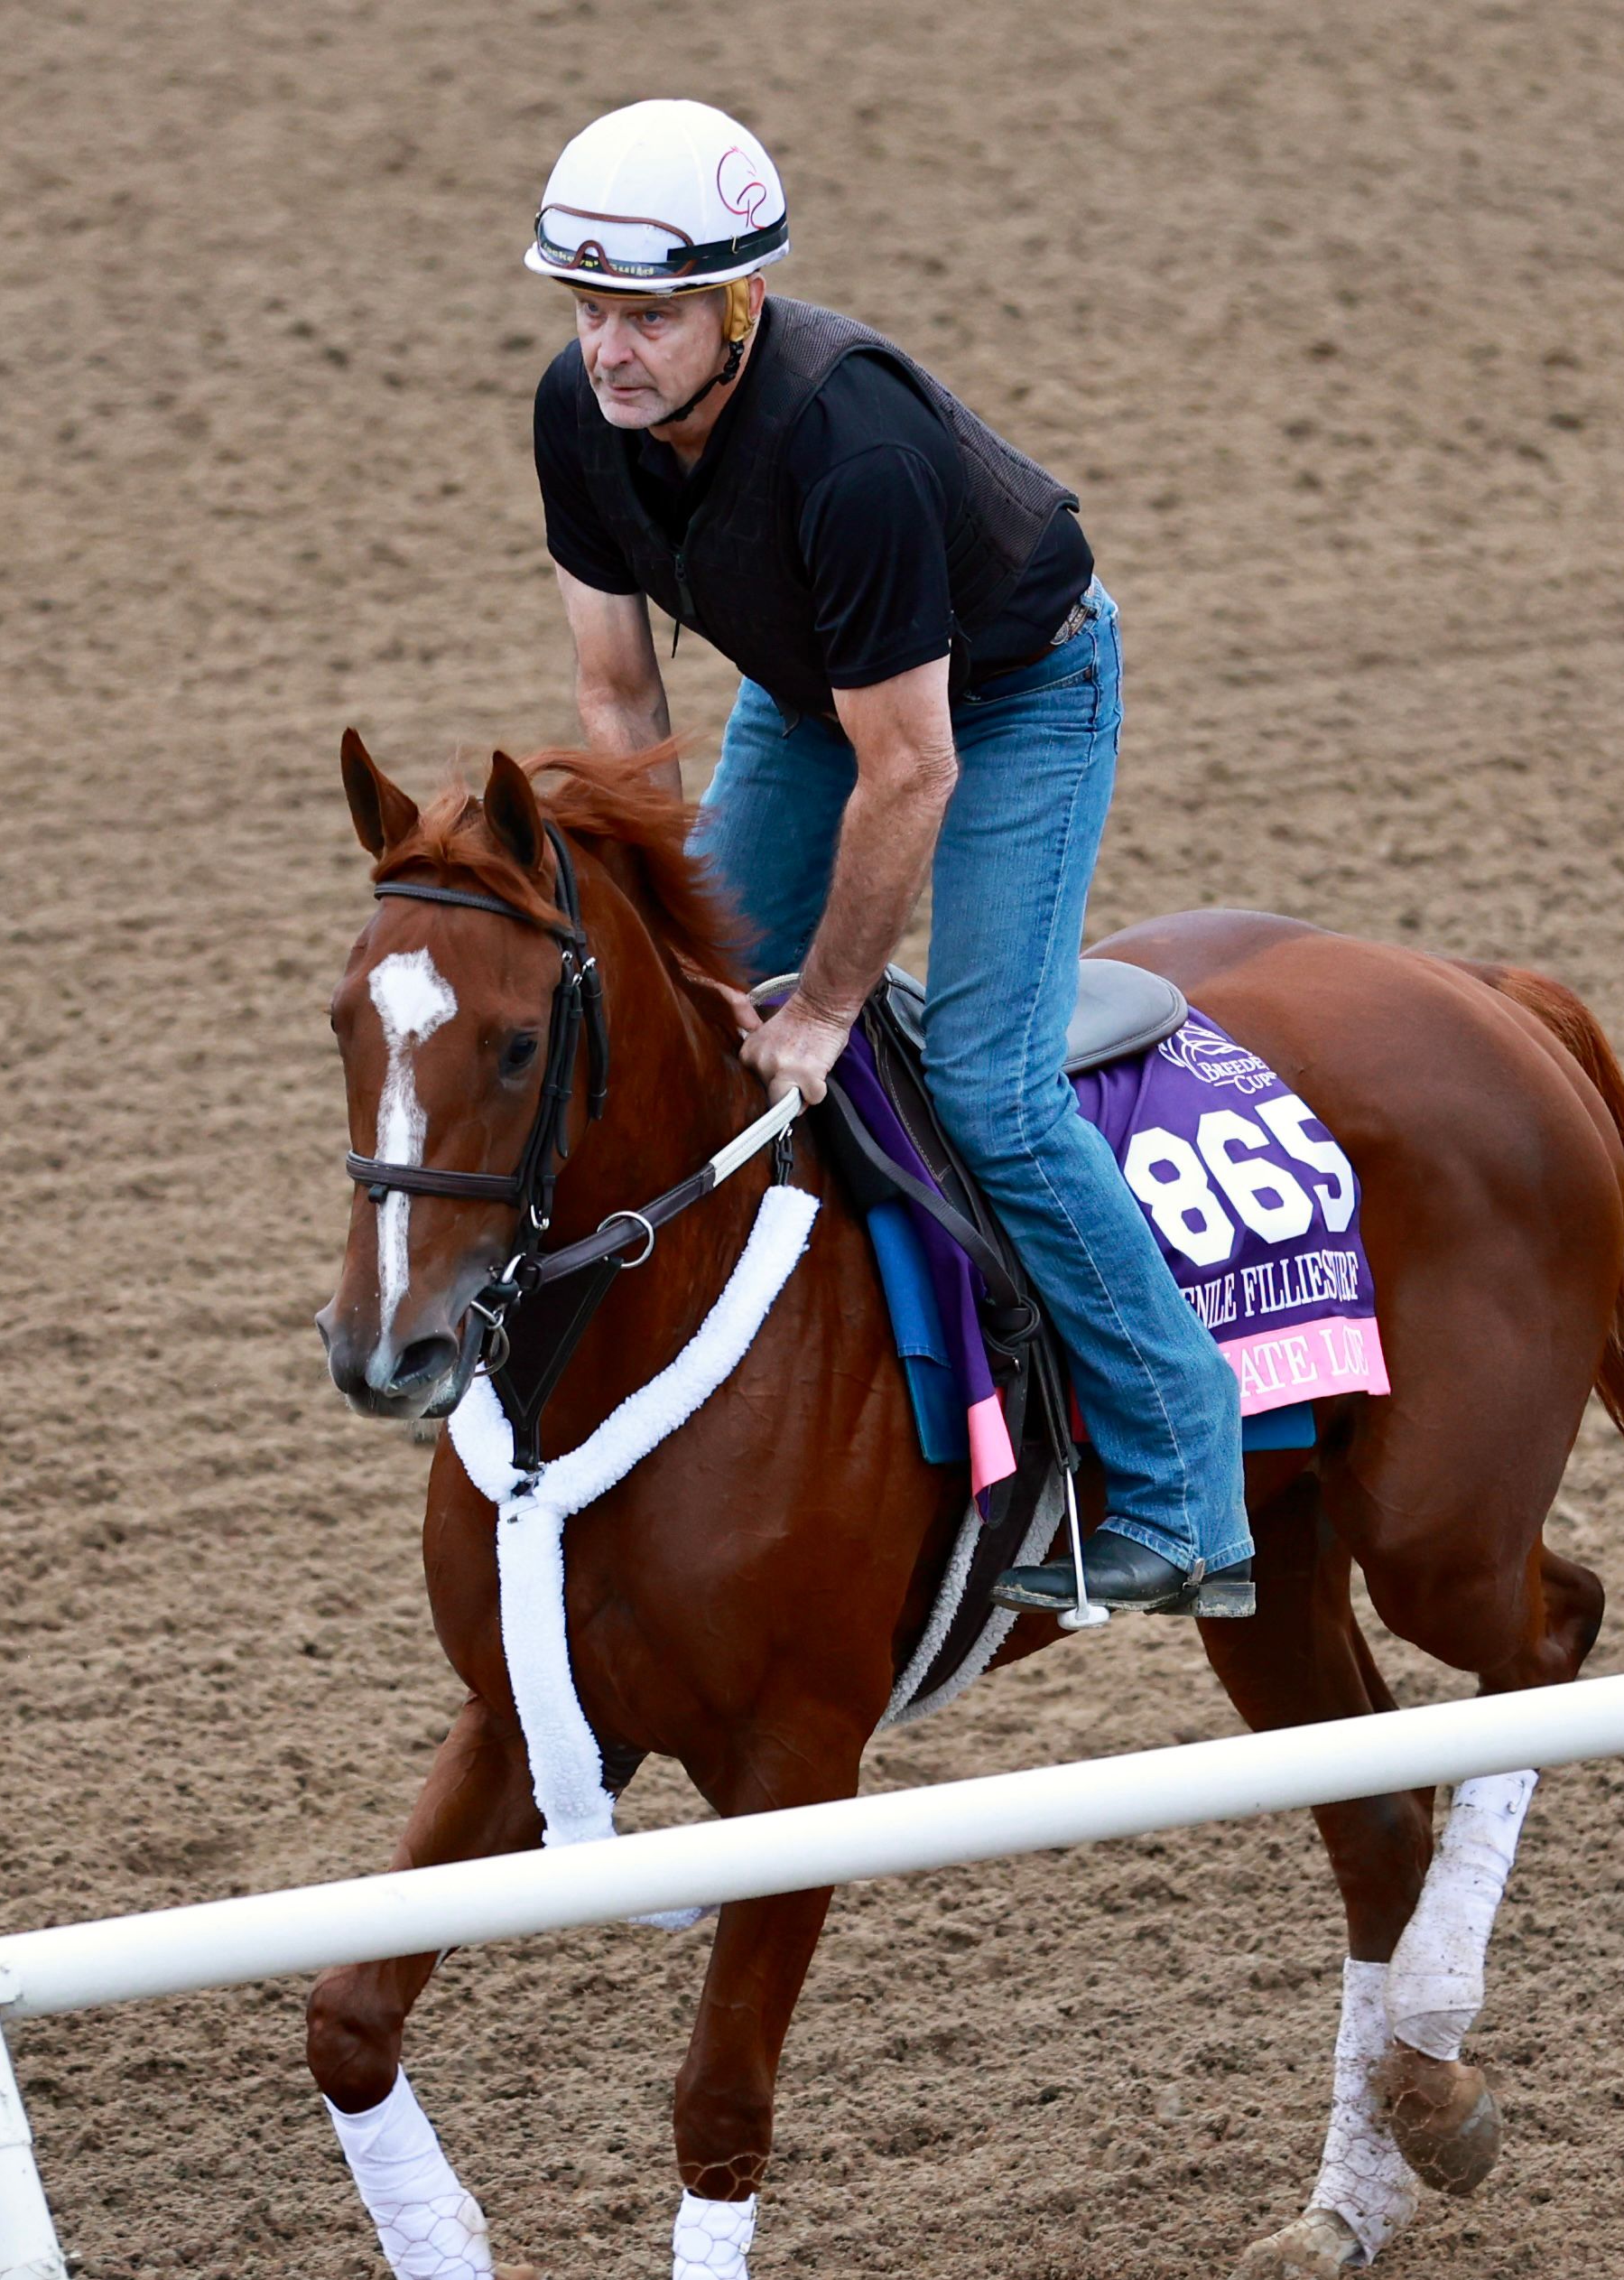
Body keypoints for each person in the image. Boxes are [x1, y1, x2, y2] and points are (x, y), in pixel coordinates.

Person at [524, 98, 1251, 1620]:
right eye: (589, 309)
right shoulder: (578, 417)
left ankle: (1189, 1493)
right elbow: (616, 698)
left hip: (1020, 695)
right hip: (820, 693)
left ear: (742, 303)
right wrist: (676, 938)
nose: (611, 350)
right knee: (671, 1013)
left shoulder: (845, 449)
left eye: (648, 314)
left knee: (989, 1082)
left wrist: (829, 1009)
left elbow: (912, 771)